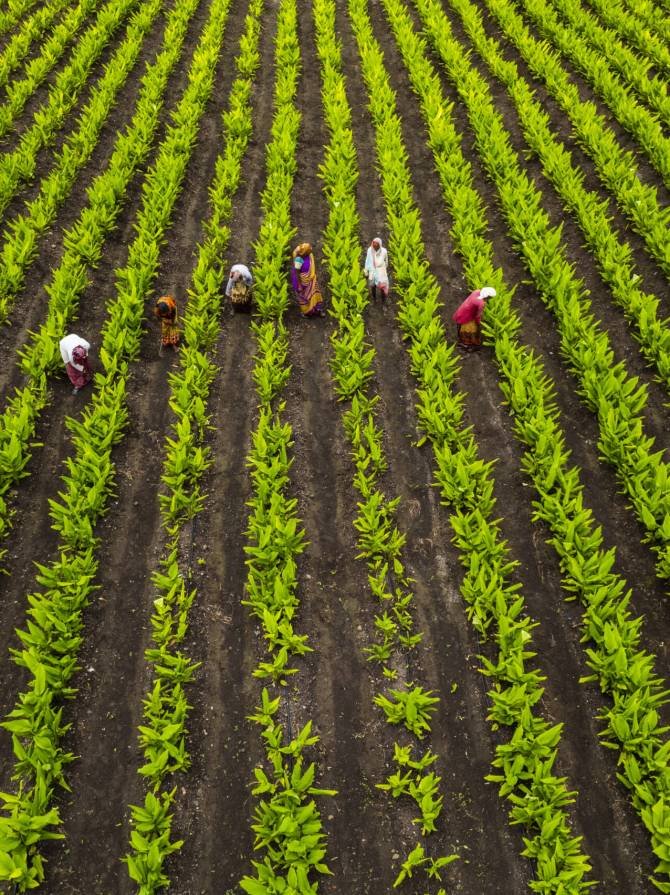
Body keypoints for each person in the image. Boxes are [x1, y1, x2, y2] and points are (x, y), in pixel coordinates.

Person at [452, 286, 496, 350]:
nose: (490, 299)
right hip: (466, 316)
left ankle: (462, 340)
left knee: (462, 327)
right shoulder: (481, 303)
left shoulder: (477, 291)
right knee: (470, 330)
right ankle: (466, 344)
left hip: (461, 311)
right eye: (490, 298)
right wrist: (479, 324)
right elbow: (478, 316)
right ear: (487, 296)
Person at [290, 242, 325, 317]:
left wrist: (311, 277)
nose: (311, 248)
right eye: (309, 247)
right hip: (303, 281)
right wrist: (299, 285)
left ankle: (318, 309)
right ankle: (307, 312)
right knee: (305, 296)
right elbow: (296, 273)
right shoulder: (299, 260)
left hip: (311, 280)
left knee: (315, 293)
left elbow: (299, 250)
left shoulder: (309, 255)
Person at [364, 237, 389, 302]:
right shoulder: (370, 250)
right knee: (373, 285)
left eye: (376, 244)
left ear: (379, 245)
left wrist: (384, 269)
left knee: (382, 286)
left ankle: (383, 300)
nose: (374, 246)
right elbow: (367, 260)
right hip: (372, 270)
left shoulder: (384, 251)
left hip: (381, 271)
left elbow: (386, 261)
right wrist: (366, 271)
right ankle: (374, 298)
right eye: (373, 244)